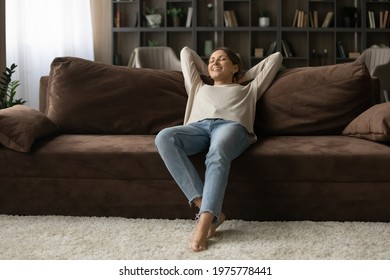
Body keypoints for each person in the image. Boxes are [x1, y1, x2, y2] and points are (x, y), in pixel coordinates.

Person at [155, 46, 283, 252]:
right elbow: (186, 52)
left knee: (218, 151)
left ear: (235, 67)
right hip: (197, 128)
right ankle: (211, 211)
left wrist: (241, 76)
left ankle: (205, 220)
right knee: (164, 137)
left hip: (231, 126)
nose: (214, 62)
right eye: (211, 59)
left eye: (222, 59)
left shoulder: (249, 89)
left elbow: (276, 58)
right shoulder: (197, 86)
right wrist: (213, 68)